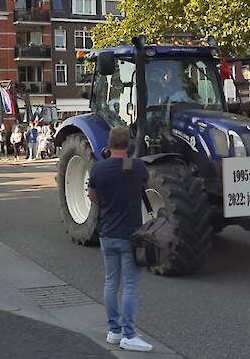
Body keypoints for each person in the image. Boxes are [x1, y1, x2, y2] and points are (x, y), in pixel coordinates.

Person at [86, 127, 153, 353]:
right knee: (131, 285)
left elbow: (93, 197)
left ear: (109, 143)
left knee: (111, 283)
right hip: (130, 236)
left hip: (107, 234)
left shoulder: (98, 169)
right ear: (129, 145)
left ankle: (114, 331)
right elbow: (144, 184)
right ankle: (129, 335)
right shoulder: (136, 167)